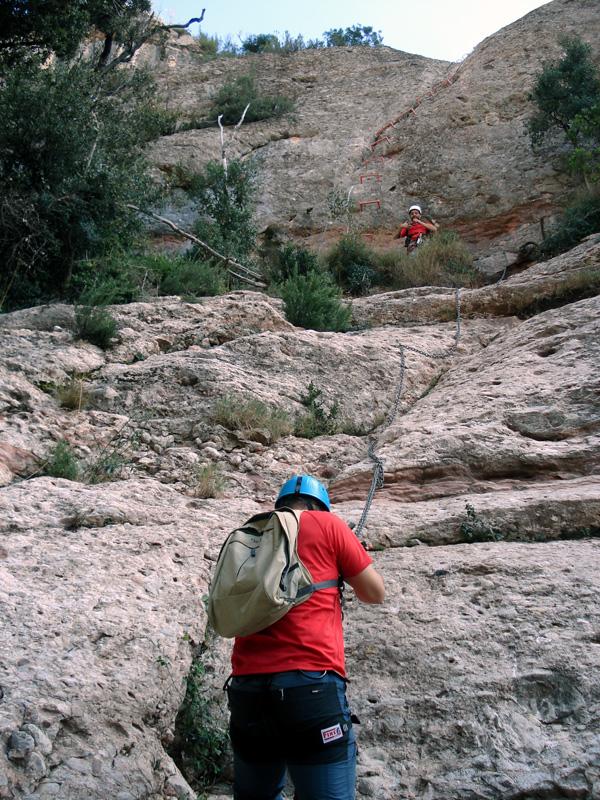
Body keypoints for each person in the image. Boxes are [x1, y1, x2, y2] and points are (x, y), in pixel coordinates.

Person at [225, 474, 385, 800]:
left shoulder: (256, 531)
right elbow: (374, 593)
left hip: (247, 691)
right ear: (321, 507)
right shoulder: (330, 526)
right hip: (309, 688)